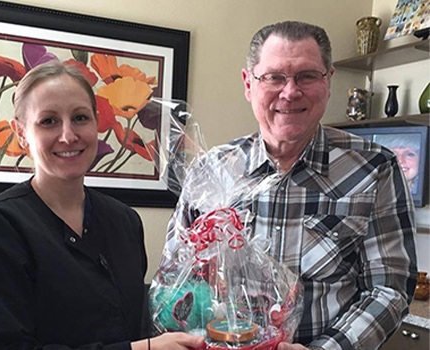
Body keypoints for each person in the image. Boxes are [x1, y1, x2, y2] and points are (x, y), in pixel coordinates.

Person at [167, 21, 418, 350]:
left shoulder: (375, 169)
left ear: (328, 82)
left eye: (307, 76)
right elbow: (173, 278)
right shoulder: (210, 171)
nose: (290, 92)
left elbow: (388, 290)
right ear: (248, 84)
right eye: (274, 77)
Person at [0, 60, 204, 350]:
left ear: (97, 122)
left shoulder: (124, 221)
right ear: (21, 133)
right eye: (48, 121)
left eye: (80, 118)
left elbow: (137, 325)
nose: (68, 135)